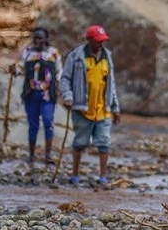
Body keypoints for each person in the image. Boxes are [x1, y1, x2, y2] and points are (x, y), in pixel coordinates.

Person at [60, 25, 121, 185]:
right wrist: (68, 96)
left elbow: (111, 84)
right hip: (82, 109)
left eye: (103, 41)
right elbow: (65, 79)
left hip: (103, 109)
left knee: (104, 143)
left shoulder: (107, 57)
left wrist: (115, 108)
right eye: (98, 41)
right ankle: (74, 174)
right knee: (80, 143)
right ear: (89, 40)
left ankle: (102, 176)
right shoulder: (76, 56)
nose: (101, 44)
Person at [9, 26, 63, 165]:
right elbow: (21, 68)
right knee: (33, 125)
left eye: (40, 38)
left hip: (47, 95)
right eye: (35, 38)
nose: (37, 41)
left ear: (46, 39)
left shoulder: (53, 54)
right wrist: (14, 70)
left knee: (47, 121)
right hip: (31, 94)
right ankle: (32, 155)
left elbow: (59, 72)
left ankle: (48, 155)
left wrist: (62, 89)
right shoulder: (27, 53)